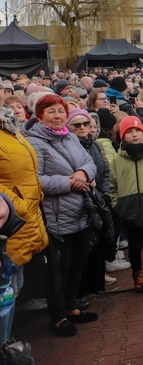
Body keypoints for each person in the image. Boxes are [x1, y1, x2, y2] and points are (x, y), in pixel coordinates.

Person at [24, 94, 99, 337]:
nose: (57, 116)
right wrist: (70, 182)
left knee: (78, 262)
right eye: (51, 111)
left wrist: (83, 175)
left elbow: (89, 161)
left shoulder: (69, 137)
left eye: (60, 110)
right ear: (39, 115)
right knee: (59, 268)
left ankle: (71, 305)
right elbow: (36, 180)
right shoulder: (33, 142)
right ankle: (57, 317)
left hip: (80, 210)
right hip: (56, 216)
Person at [0, 86, 48, 343]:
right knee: (5, 290)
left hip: (22, 221)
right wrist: (14, 202)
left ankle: (6, 344)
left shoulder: (9, 126)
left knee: (11, 289)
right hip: (9, 219)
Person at [66, 109, 116, 295]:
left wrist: (104, 194)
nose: (83, 128)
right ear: (69, 127)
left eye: (86, 124)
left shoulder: (95, 145)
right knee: (84, 249)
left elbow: (104, 170)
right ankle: (81, 292)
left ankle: (95, 286)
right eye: (77, 125)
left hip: (99, 200)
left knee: (99, 244)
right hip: (81, 202)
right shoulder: (69, 146)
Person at [110, 116, 143, 293]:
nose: (134, 135)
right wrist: (118, 206)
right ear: (122, 136)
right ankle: (138, 274)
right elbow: (112, 186)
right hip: (130, 208)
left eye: (137, 131)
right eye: (129, 132)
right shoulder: (117, 161)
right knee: (134, 246)